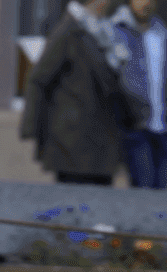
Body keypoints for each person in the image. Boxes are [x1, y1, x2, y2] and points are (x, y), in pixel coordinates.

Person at [19, 0, 142, 186]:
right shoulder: (69, 30)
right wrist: (32, 128)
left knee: (97, 203)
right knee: (74, 204)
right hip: (72, 142)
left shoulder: (104, 32)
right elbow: (40, 79)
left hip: (101, 143)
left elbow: (113, 85)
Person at [111, 0, 167, 190]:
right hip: (135, 127)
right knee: (143, 189)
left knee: (160, 190)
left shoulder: (161, 32)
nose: (146, 3)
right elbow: (115, 81)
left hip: (164, 128)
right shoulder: (117, 31)